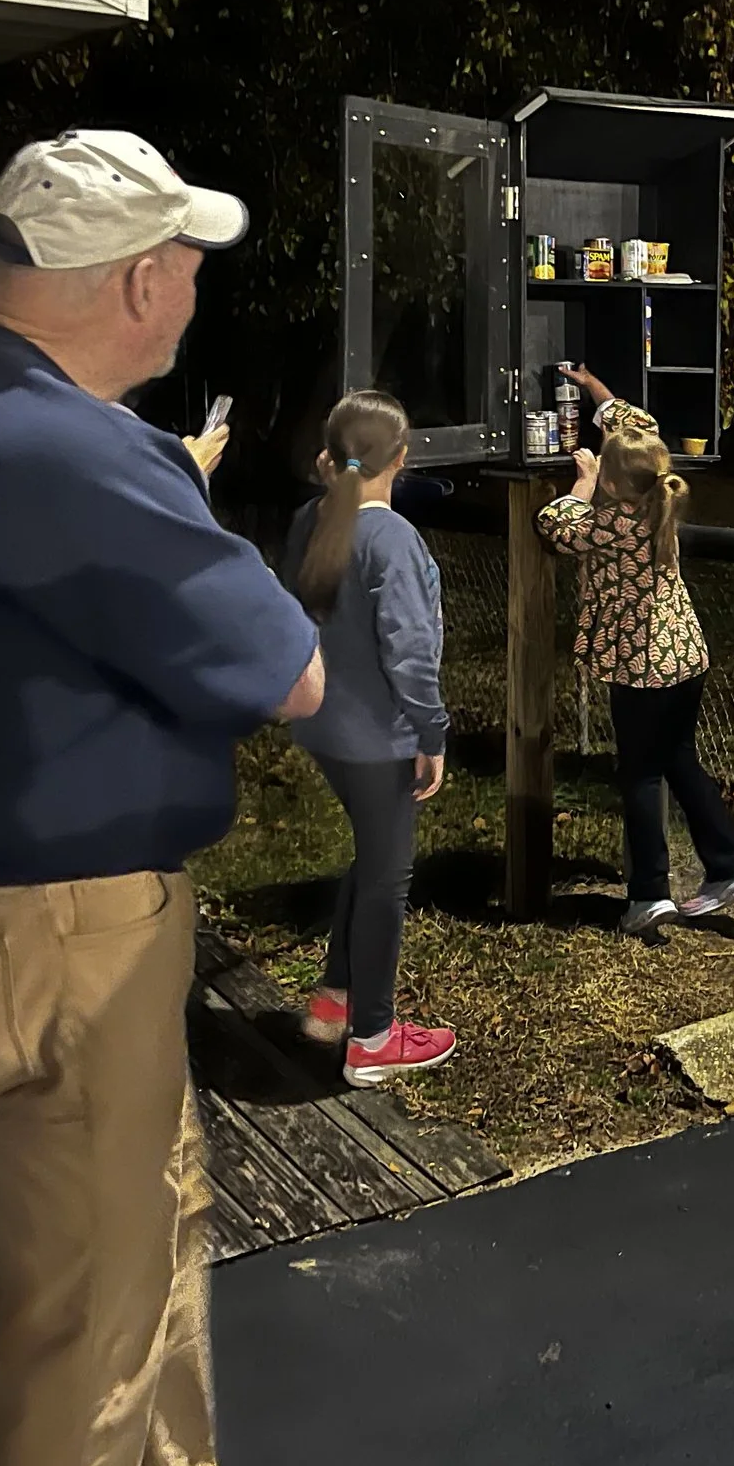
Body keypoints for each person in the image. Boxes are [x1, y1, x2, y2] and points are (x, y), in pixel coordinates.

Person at [0, 130, 324, 1466]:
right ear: (135, 280)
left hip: (18, 922)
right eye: (186, 260)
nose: (192, 286)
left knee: (147, 1253)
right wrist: (181, 493)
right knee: (93, 1332)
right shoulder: (76, 450)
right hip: (62, 937)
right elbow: (289, 670)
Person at [538, 367, 734, 936]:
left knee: (639, 774)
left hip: (639, 668)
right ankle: (728, 864)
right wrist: (593, 385)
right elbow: (640, 423)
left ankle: (649, 894)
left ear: (613, 486)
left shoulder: (610, 521)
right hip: (683, 656)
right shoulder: (659, 501)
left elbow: (555, 526)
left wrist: (582, 482)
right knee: (679, 758)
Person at [280, 390, 457, 1084]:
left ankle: (335, 1000)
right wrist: (430, 731)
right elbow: (410, 652)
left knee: (373, 855)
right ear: (402, 458)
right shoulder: (391, 539)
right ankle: (374, 1037)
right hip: (379, 738)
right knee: (387, 877)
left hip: (322, 727)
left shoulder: (310, 519)